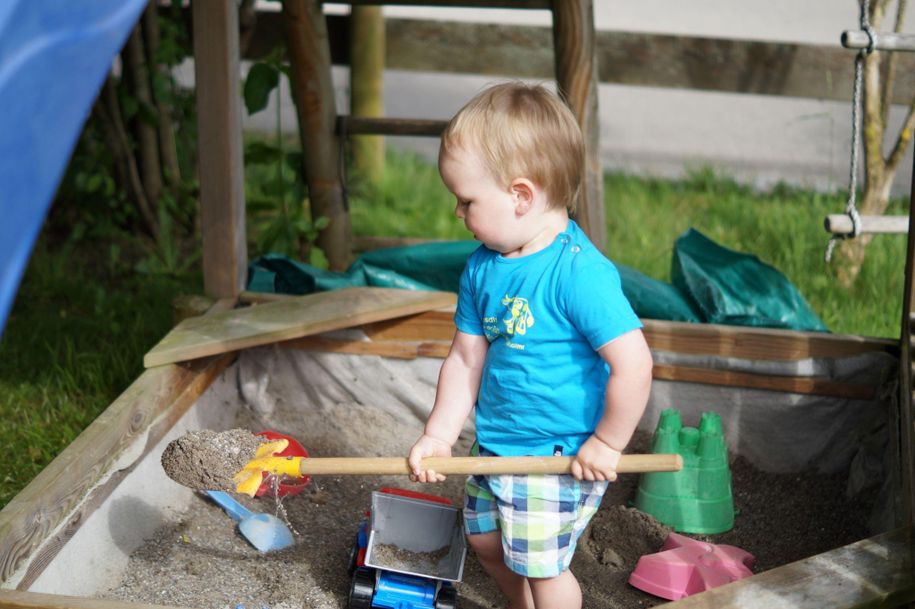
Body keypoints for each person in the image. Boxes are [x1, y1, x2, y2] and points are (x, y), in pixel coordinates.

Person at [407, 81, 654, 609]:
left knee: (543, 569)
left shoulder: (578, 274)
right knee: (486, 542)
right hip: (495, 445)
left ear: (521, 195)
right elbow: (466, 358)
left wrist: (608, 443)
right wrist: (438, 435)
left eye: (466, 200)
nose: (458, 213)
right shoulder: (483, 268)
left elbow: (633, 363)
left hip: (558, 454)